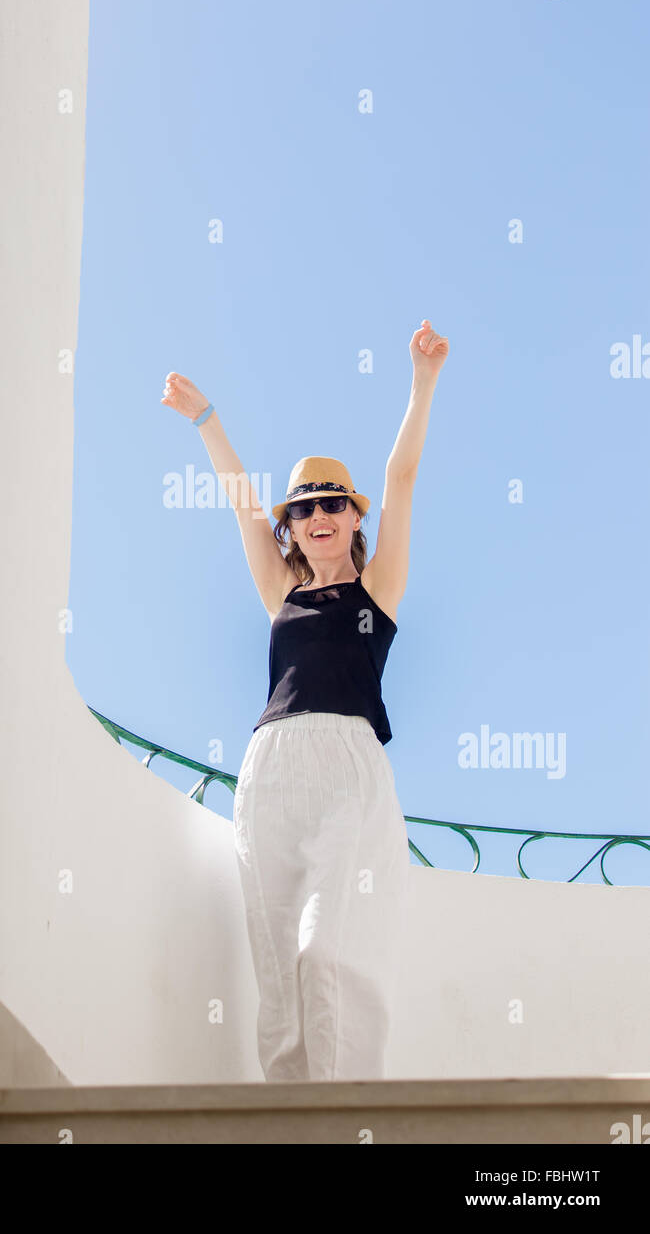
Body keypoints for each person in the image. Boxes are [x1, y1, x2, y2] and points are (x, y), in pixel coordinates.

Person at [160, 318, 449, 1081]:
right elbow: (242, 506)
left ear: (353, 518)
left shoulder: (377, 590)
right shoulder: (280, 591)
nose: (318, 517)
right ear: (293, 527)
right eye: (305, 509)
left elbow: (402, 478)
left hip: (347, 767)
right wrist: (206, 421)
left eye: (332, 505)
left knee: (326, 947)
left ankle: (349, 1105)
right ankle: (292, 1119)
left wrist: (422, 385)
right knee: (278, 958)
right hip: (271, 770)